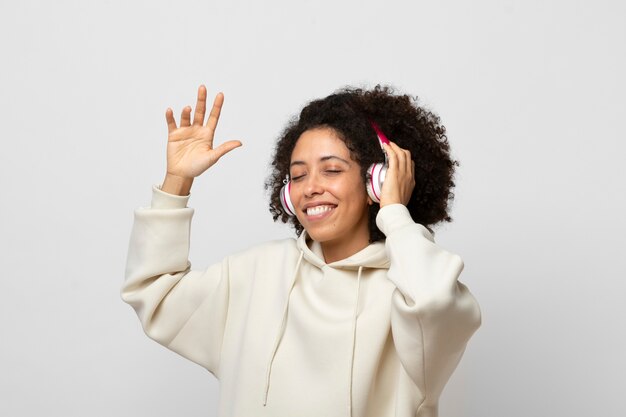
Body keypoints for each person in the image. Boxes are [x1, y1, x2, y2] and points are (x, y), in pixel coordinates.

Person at [122, 84, 481, 417]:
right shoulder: (257, 273)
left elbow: (435, 303)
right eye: (297, 175)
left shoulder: (409, 291)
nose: (310, 188)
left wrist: (395, 212)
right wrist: (177, 182)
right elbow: (156, 292)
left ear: (377, 181)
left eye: (332, 170)